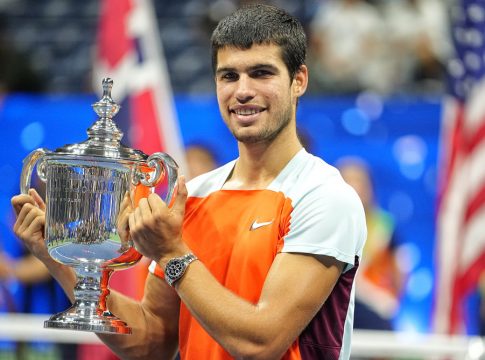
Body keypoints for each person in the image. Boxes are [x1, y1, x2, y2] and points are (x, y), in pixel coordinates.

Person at [11, 4, 366, 360]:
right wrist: (57, 257)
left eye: (261, 73)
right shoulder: (194, 195)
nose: (243, 91)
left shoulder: (325, 197)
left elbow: (260, 344)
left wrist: (171, 253)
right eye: (229, 76)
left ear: (298, 80)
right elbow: (153, 343)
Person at [337, 158, 403, 332]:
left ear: (370, 187)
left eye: (359, 181)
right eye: (347, 180)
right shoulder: (329, 226)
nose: (354, 187)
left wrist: (389, 299)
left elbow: (399, 272)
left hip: (376, 309)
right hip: (337, 310)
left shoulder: (385, 225)